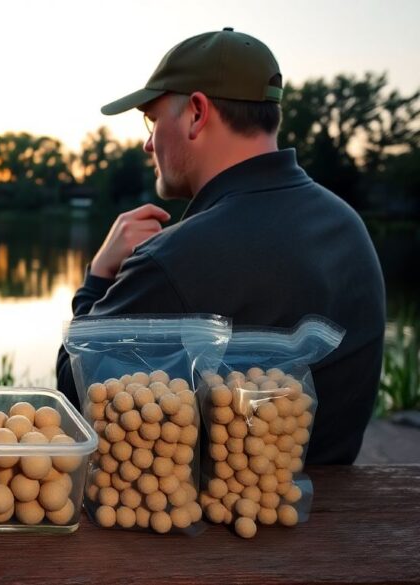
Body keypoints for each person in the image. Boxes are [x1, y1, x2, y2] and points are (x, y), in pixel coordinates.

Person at [56, 28, 385, 464]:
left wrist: (98, 277)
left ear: (196, 113)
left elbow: (74, 391)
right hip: (324, 510)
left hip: (216, 525)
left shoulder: (176, 258)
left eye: (153, 121)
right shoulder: (347, 225)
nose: (148, 143)